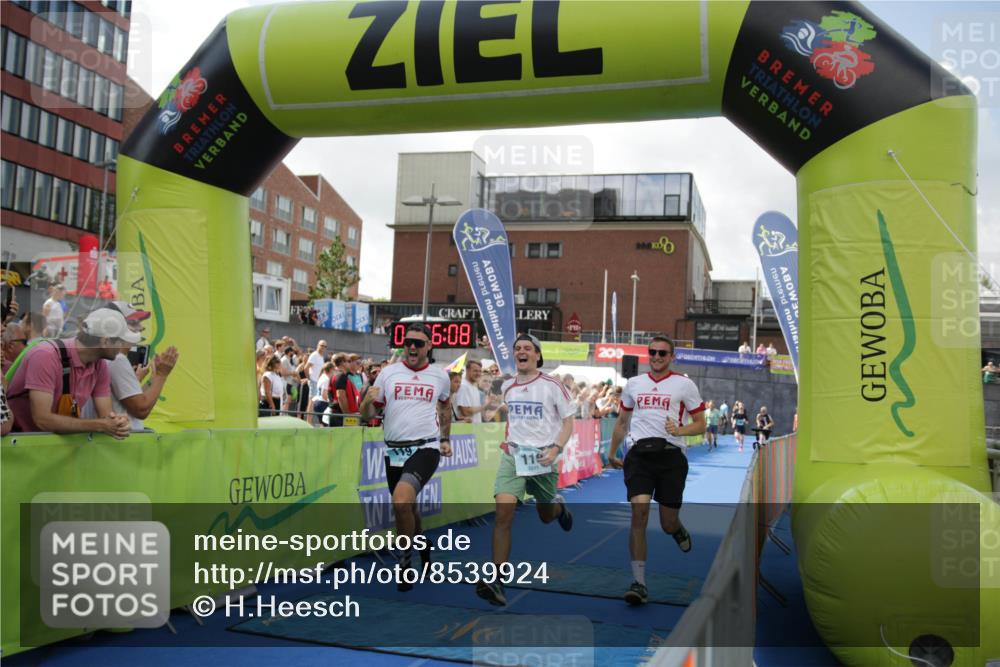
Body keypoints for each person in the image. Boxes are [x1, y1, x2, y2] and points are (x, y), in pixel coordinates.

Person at [476, 334, 574, 606]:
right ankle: (497, 580)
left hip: (544, 457)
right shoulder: (507, 386)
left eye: (527, 349)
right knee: (503, 515)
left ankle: (558, 508)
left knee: (545, 516)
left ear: (537, 356)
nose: (521, 352)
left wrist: (555, 448)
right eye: (517, 348)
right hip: (514, 456)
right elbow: (490, 414)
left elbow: (568, 423)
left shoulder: (552, 385)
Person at [610, 335, 706, 606]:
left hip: (671, 458)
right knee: (638, 513)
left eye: (662, 353)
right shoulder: (633, 384)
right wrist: (611, 452)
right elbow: (621, 421)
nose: (656, 357)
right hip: (639, 456)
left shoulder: (684, 385)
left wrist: (681, 429)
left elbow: (701, 424)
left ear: (671, 356)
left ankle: (677, 529)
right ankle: (639, 583)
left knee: (666, 522)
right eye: (652, 352)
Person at [359, 323, 453, 591]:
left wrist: (445, 439)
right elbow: (367, 416)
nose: (412, 347)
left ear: (429, 346)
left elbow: (446, 407)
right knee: (408, 507)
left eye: (419, 343)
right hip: (394, 449)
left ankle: (404, 562)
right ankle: (422, 545)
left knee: (401, 503)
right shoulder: (388, 374)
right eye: (408, 342)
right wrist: (367, 402)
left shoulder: (439, 376)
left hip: (426, 448)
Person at [6, 308, 134, 438]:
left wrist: (117, 423)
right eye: (120, 340)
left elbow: (106, 415)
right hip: (18, 446)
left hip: (48, 447)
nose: (123, 345)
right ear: (105, 341)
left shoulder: (99, 365)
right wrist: (101, 425)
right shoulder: (46, 355)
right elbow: (42, 420)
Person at [81, 303, 179, 431]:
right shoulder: (117, 360)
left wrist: (152, 379)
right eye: (133, 323)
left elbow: (132, 401)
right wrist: (161, 375)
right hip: (118, 445)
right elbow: (141, 409)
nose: (141, 328)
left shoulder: (103, 356)